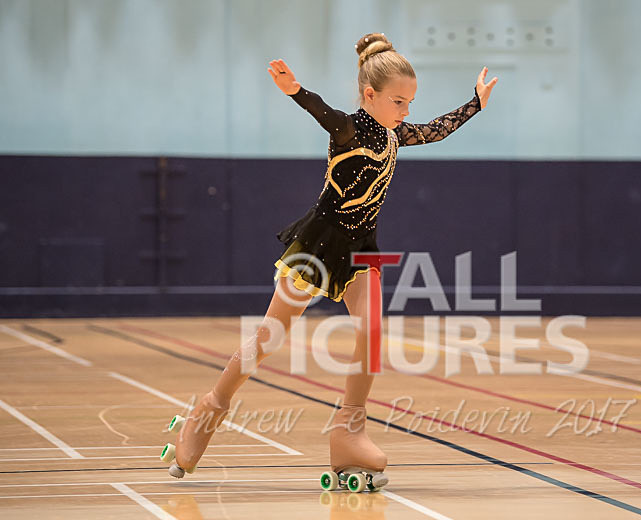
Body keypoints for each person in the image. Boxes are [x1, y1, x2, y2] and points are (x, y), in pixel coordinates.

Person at [160, 32, 498, 491]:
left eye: (410, 103)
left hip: (362, 250)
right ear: (370, 95)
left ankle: (348, 433)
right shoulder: (349, 129)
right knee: (268, 339)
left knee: (372, 334)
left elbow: (436, 129)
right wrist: (295, 90)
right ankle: (206, 413)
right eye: (399, 102)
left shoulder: (394, 134)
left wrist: (475, 103)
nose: (406, 112)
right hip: (320, 245)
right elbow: (323, 112)